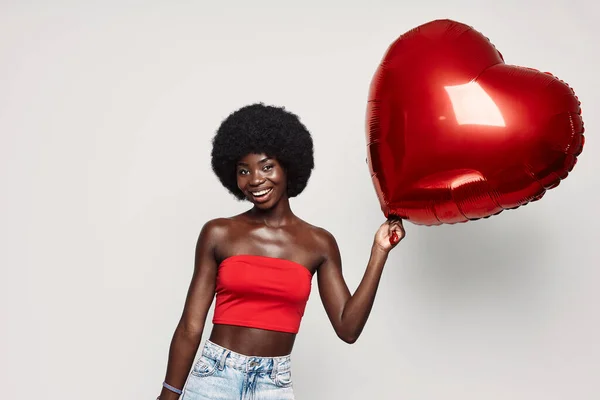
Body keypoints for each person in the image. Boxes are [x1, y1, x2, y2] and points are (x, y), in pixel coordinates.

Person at [157, 103, 405, 399]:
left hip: (273, 385)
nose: (255, 180)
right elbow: (190, 326)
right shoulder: (218, 233)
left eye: (266, 166)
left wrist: (379, 251)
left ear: (288, 165)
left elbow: (347, 328)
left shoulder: (318, 243)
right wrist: (168, 395)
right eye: (243, 171)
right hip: (214, 379)